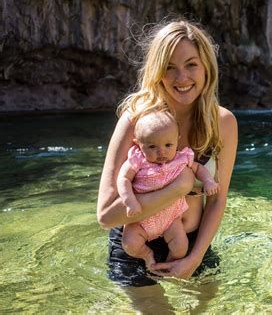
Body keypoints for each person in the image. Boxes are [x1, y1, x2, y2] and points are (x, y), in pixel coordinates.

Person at [96, 18, 237, 292]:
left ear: (207, 67)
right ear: (157, 71)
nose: (181, 78)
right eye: (169, 67)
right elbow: (105, 216)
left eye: (191, 65)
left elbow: (218, 199)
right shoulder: (136, 119)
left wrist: (193, 259)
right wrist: (179, 188)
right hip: (136, 246)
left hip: (193, 244)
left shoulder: (224, 123)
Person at [118, 108, 219, 268]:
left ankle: (169, 265)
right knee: (130, 244)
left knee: (180, 246)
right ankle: (147, 255)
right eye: (152, 146)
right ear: (138, 143)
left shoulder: (181, 158)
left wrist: (208, 181)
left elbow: (198, 168)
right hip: (141, 218)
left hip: (171, 219)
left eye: (168, 145)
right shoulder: (137, 160)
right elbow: (123, 179)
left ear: (177, 140)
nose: (161, 151)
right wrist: (130, 201)